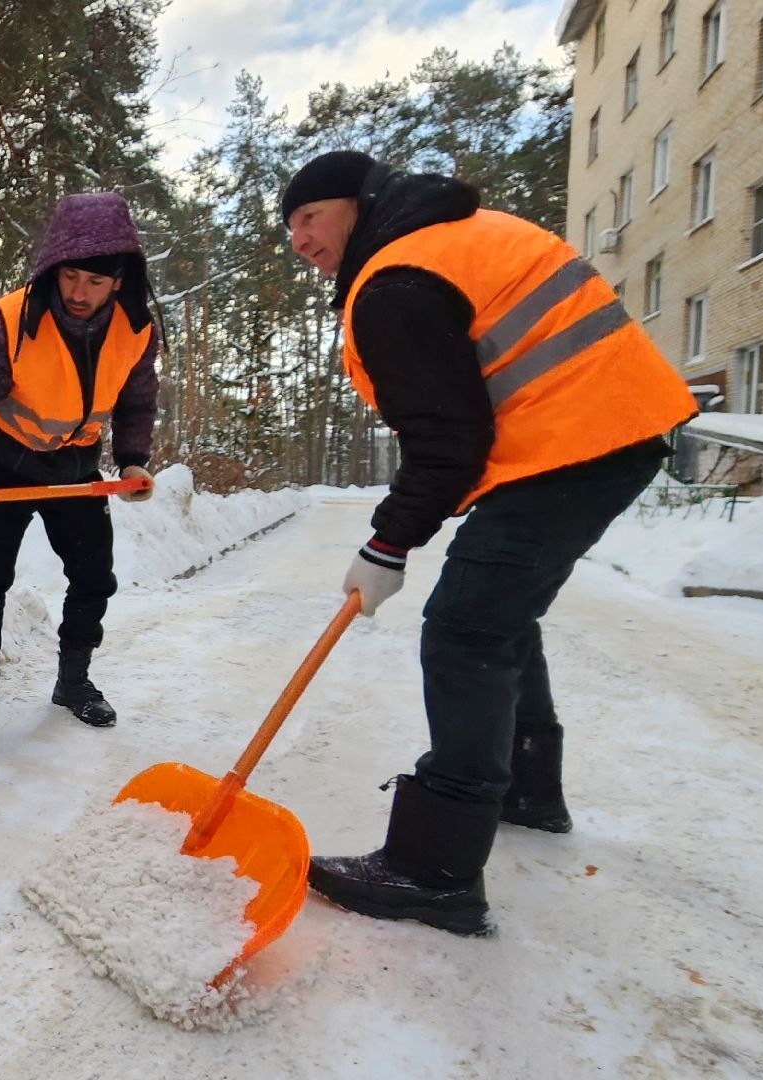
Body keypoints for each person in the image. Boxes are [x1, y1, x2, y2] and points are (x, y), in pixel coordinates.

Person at [281, 151, 697, 935]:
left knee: (467, 628)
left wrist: (387, 545)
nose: (299, 240)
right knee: (497, 616)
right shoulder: (449, 241)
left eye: (310, 216)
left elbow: (447, 441)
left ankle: (434, 870)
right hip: (598, 435)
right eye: (290, 228)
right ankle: (526, 789)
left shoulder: (398, 280)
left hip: (576, 446)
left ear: (360, 202)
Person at [0, 191, 161, 760]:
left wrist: (134, 457)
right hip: (5, 462)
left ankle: (72, 680)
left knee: (93, 579)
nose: (79, 293)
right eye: (71, 277)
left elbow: (137, 400)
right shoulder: (9, 321)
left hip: (77, 467)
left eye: (95, 281)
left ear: (120, 281)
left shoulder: (136, 330)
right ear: (53, 269)